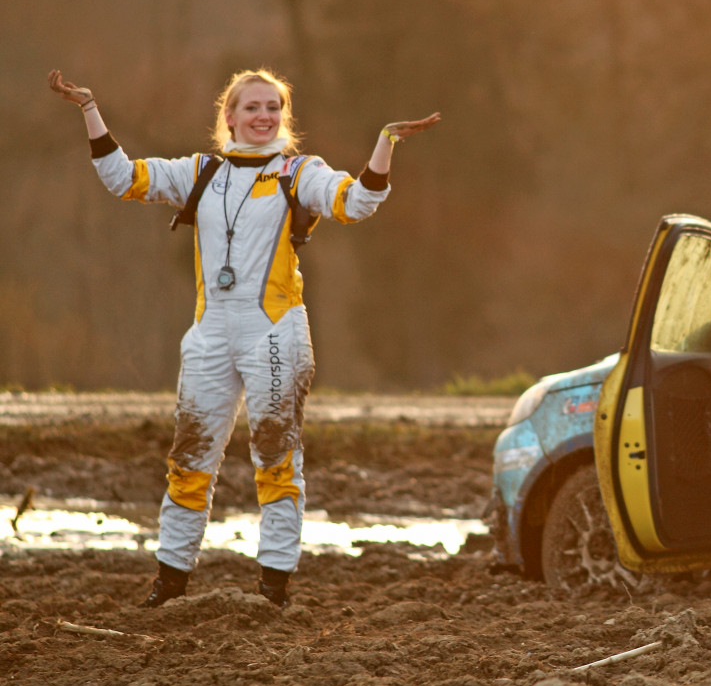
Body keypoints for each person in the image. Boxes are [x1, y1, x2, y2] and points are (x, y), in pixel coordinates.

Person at [47, 68, 440, 608]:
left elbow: (356, 203)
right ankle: (169, 586)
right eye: (252, 108)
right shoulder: (199, 171)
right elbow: (123, 179)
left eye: (273, 108)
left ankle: (273, 589)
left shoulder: (299, 171)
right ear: (228, 117)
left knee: (275, 458)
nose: (263, 117)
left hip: (274, 332)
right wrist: (89, 108)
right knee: (189, 460)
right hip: (210, 332)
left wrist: (385, 143)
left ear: (284, 117)